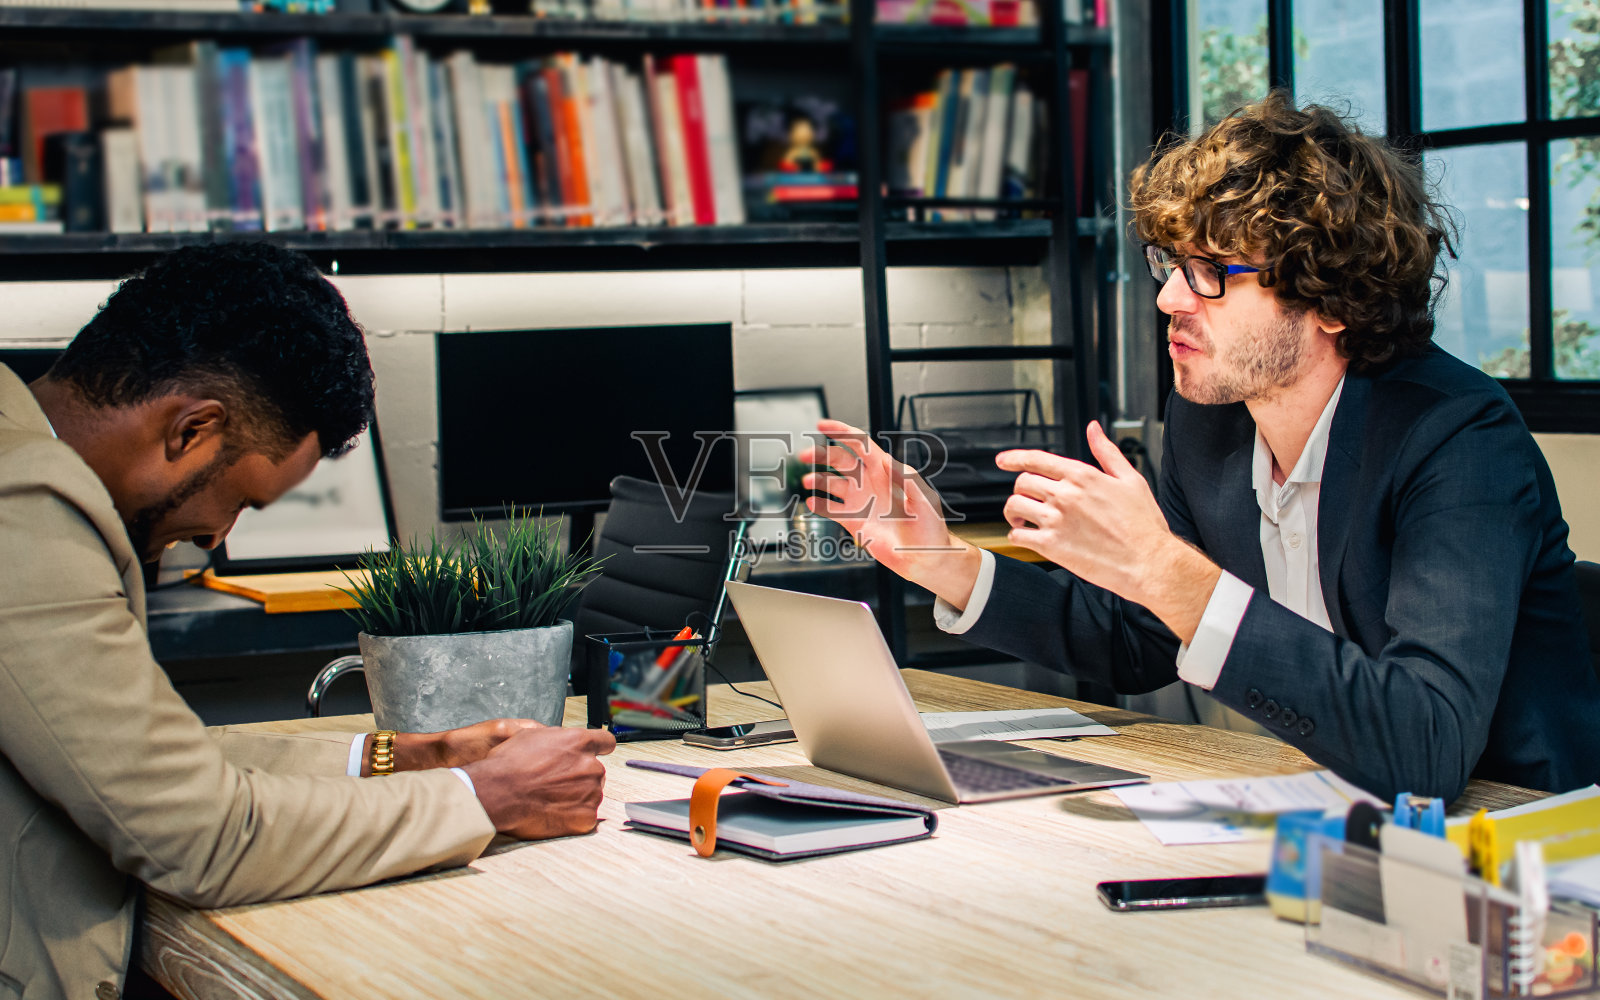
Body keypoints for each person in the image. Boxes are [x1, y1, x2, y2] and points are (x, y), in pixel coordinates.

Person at [800, 92, 1600, 803]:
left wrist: (1166, 567)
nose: (1169, 298)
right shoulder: (1211, 420)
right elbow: (1140, 638)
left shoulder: (1457, 437)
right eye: (1171, 264)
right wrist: (942, 560)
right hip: (1323, 818)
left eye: (1212, 271)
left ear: (1331, 298)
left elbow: (1426, 744)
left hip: (1523, 852)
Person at [0, 243, 615, 1000]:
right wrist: (485, 797)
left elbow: (154, 767)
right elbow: (202, 838)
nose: (216, 537)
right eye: (241, 501)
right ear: (190, 431)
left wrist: (416, 756)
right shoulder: (24, 505)